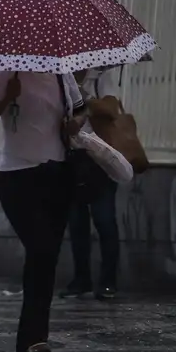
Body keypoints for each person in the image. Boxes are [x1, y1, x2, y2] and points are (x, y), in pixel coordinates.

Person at [0, 71, 85, 352]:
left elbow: (81, 110)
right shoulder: (6, 74)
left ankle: (35, 340)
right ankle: (33, 338)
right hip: (17, 176)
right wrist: (7, 98)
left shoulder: (63, 75)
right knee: (41, 248)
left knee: (46, 258)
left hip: (58, 173)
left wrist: (76, 124)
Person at [61, 68, 120, 300]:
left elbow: (112, 109)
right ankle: (81, 279)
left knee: (104, 220)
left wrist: (85, 99)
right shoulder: (61, 76)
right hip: (72, 157)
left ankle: (108, 281)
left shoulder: (100, 76)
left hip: (99, 158)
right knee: (76, 223)